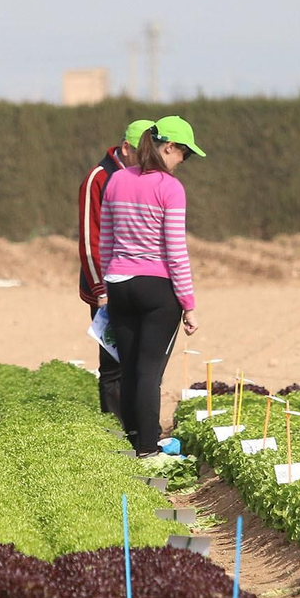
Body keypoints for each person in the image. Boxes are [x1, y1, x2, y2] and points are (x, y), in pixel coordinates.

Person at [101, 116, 204, 456]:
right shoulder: (170, 188)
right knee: (149, 372)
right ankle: (148, 449)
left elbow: (106, 240)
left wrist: (106, 283)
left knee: (129, 368)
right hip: (157, 289)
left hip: (119, 284)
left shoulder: (117, 180)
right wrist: (188, 304)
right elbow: (176, 251)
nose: (182, 162)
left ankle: (132, 441)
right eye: (183, 155)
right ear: (169, 147)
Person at [78, 117, 156, 415]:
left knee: (145, 363)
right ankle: (116, 432)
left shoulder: (150, 177)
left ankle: (143, 427)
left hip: (142, 284)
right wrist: (101, 290)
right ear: (126, 148)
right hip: (108, 288)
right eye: (143, 153)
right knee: (113, 365)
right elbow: (90, 239)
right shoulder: (99, 177)